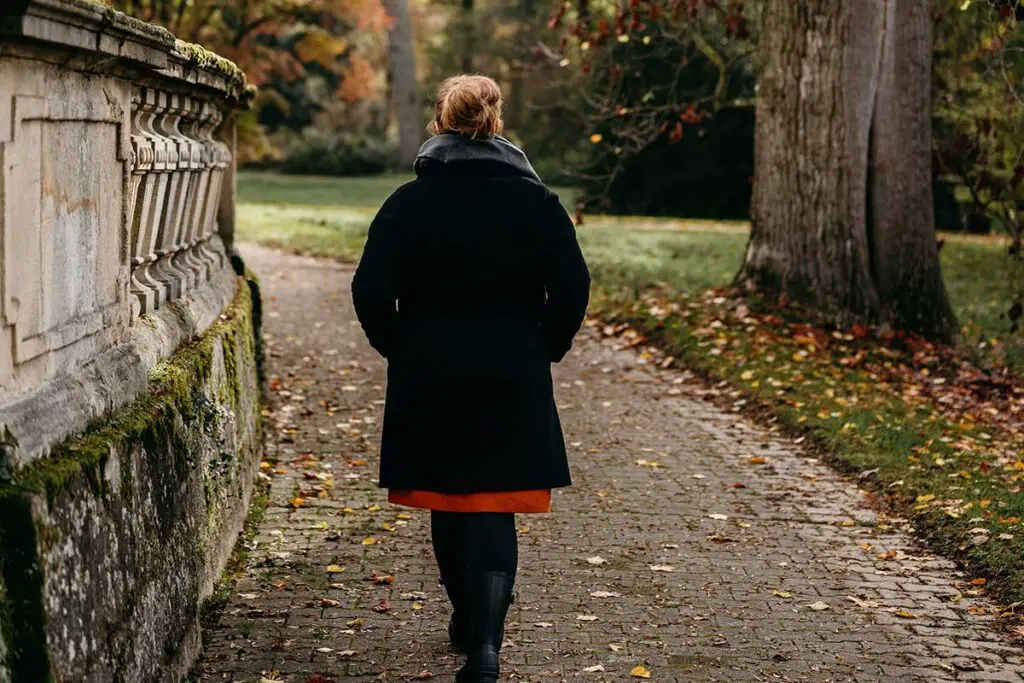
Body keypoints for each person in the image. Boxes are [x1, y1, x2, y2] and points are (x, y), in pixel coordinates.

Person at [352, 74, 590, 682]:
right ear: (497, 124)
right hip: (512, 368)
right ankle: (484, 645)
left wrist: (398, 346)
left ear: (441, 125)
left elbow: (371, 290)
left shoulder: (407, 204)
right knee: (492, 503)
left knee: (448, 497)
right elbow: (572, 287)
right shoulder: (537, 204)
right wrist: (545, 346)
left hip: (429, 367)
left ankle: (469, 620)